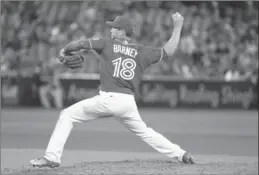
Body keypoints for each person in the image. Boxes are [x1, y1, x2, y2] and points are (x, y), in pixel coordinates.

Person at [30, 12, 195, 168]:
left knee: (67, 115)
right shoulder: (142, 51)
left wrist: (65, 50)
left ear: (122, 32)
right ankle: (181, 154)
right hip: (127, 103)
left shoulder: (106, 43)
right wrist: (178, 26)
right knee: (146, 132)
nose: (111, 29)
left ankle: (52, 157)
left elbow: (80, 44)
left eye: (114, 27)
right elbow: (169, 51)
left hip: (108, 99)